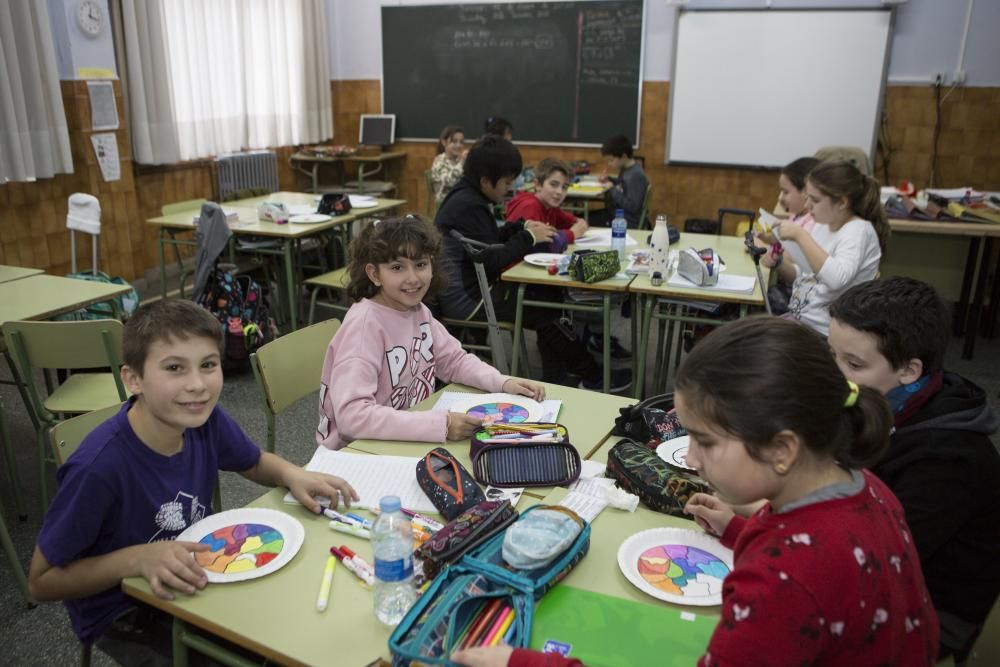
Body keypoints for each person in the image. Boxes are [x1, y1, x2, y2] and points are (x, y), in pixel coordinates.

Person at [452, 317, 939, 667]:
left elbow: (803, 578)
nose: (690, 458)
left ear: (783, 449)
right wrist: (742, 528)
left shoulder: (783, 580)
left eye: (704, 441)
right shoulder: (867, 487)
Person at [28, 299, 359, 661]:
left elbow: (252, 462)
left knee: (299, 614)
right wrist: (137, 560)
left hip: (197, 574)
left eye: (208, 365)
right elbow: (42, 581)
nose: (198, 385)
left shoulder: (204, 420)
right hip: (125, 608)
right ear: (133, 379)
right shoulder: (97, 468)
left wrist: (291, 474)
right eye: (174, 368)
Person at [829, 277, 1000, 660]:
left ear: (909, 370)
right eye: (832, 355)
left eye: (853, 364)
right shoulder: (887, 399)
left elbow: (873, 559)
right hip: (871, 560)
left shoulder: (949, 462)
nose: (834, 374)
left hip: (931, 609)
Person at [316, 214, 544, 450]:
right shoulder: (363, 329)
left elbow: (453, 361)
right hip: (357, 454)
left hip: (404, 435)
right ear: (374, 274)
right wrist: (440, 424)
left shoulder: (417, 310)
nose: (413, 278)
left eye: (421, 265)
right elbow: (352, 418)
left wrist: (501, 382)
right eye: (397, 267)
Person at [435, 135, 630, 392]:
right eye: (506, 183)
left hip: (473, 287)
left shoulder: (469, 197)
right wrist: (527, 237)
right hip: (470, 299)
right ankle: (589, 375)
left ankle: (558, 374)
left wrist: (520, 226)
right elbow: (491, 261)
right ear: (485, 180)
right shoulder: (469, 205)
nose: (508, 189)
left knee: (546, 297)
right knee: (544, 306)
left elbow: (487, 240)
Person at [766, 160, 890, 336]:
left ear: (841, 202)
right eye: (807, 197)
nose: (807, 206)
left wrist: (800, 235)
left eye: (815, 200)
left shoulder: (858, 231)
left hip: (827, 333)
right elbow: (806, 274)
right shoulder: (823, 224)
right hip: (801, 320)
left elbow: (837, 279)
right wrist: (779, 263)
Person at [755, 156, 820, 313]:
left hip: (796, 298)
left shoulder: (814, 224)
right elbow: (786, 246)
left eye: (785, 192)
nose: (780, 198)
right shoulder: (797, 216)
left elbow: (794, 256)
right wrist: (768, 238)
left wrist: (764, 246)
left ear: (806, 192)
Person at [505, 157, 588, 252]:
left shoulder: (550, 206)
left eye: (564, 187)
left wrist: (579, 223)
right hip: (516, 265)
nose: (559, 192)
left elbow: (573, 221)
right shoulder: (529, 206)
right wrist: (572, 234)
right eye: (554, 184)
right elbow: (540, 247)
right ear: (538, 185)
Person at [596, 134, 648, 228]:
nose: (609, 164)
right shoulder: (627, 169)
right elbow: (623, 184)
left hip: (627, 221)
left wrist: (612, 189)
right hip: (618, 215)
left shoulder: (636, 175)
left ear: (623, 156)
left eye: (611, 160)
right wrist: (609, 179)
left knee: (585, 221)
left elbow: (633, 206)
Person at [431, 125, 466, 205]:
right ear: (444, 142)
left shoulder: (458, 160)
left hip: (460, 198)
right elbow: (449, 182)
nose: (458, 145)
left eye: (461, 142)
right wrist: (461, 163)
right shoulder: (439, 161)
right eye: (454, 141)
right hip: (446, 203)